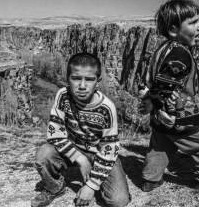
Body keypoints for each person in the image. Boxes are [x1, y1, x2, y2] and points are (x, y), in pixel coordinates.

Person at [138, 0, 199, 193]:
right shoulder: (179, 55)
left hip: (160, 117)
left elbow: (149, 78)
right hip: (179, 116)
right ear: (174, 30)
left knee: (161, 143)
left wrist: (149, 101)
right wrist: (152, 101)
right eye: (193, 22)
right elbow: (163, 85)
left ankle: (150, 179)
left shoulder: (161, 49)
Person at [31, 53, 131, 207]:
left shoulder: (106, 108)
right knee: (44, 154)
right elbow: (55, 134)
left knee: (119, 200)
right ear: (68, 79)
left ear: (97, 81)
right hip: (74, 148)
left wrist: (92, 185)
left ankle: (103, 178)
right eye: (76, 78)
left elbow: (109, 149)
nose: (82, 86)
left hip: (100, 153)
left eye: (89, 79)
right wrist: (81, 159)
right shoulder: (63, 96)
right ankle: (54, 188)